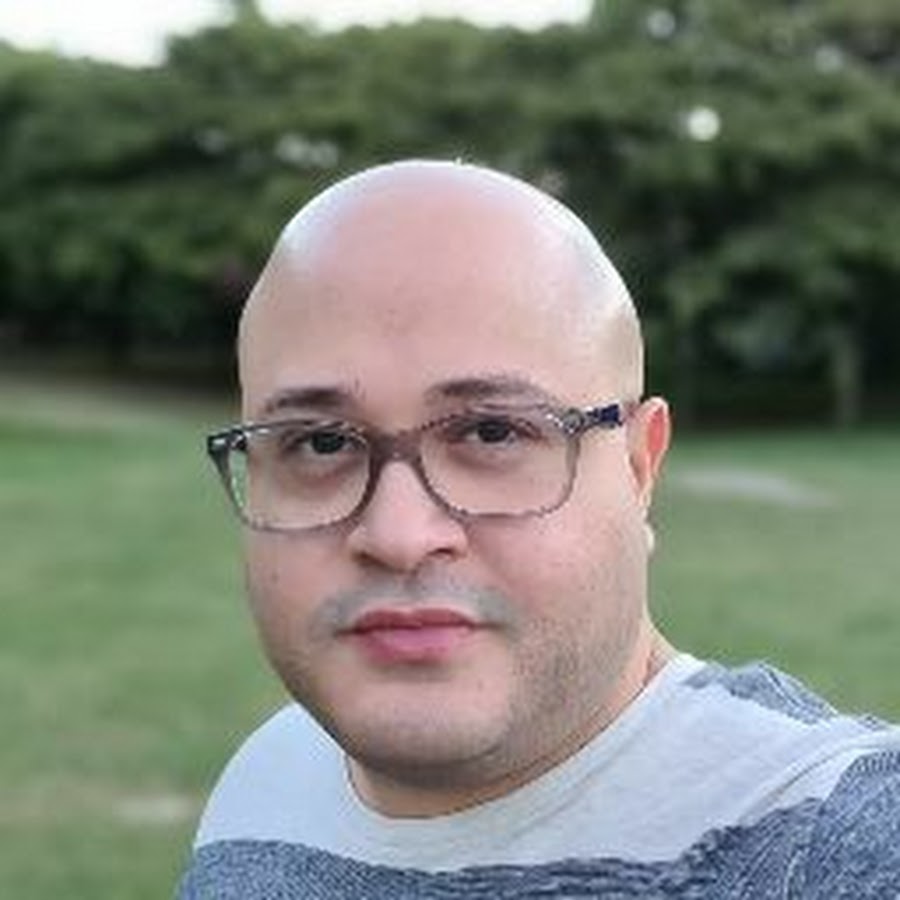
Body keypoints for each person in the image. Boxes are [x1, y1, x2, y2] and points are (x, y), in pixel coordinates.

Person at [177, 160, 900, 898]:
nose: (398, 535)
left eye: (492, 432)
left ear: (639, 467)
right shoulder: (266, 782)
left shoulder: (832, 841)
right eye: (320, 442)